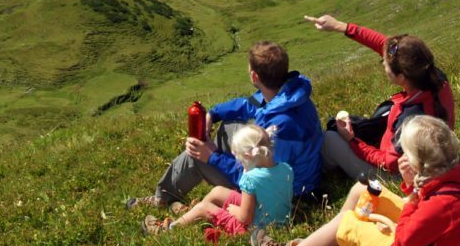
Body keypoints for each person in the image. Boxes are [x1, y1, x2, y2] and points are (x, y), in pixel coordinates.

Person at [252, 115, 460, 246]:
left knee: (349, 222)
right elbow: (428, 211)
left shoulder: (441, 204)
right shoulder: (449, 177)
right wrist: (413, 185)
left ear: (421, 164)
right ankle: (330, 241)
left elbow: (406, 241)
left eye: (407, 153)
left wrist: (412, 198)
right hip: (424, 236)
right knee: (362, 190)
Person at [127, 41, 323, 212]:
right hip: (294, 174)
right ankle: (177, 185)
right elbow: (248, 105)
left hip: (285, 194)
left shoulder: (279, 129)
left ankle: (162, 198)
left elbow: (259, 179)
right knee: (228, 128)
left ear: (254, 77)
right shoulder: (287, 95)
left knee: (195, 155)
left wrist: (211, 157)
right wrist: (213, 114)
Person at [303, 14, 454, 184]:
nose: (383, 62)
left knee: (330, 140)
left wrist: (352, 140)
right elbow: (383, 44)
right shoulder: (433, 76)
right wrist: (339, 26)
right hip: (419, 155)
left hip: (397, 176)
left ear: (402, 76)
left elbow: (388, 163)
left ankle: (314, 180)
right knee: (382, 113)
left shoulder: (411, 119)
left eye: (386, 63)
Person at [142, 124, 293, 240]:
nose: (239, 164)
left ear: (248, 156)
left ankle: (169, 229)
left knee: (203, 208)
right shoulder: (286, 169)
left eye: (239, 160)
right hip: (277, 222)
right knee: (218, 191)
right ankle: (193, 216)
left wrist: (234, 210)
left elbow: (244, 218)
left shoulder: (250, 179)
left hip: (253, 231)